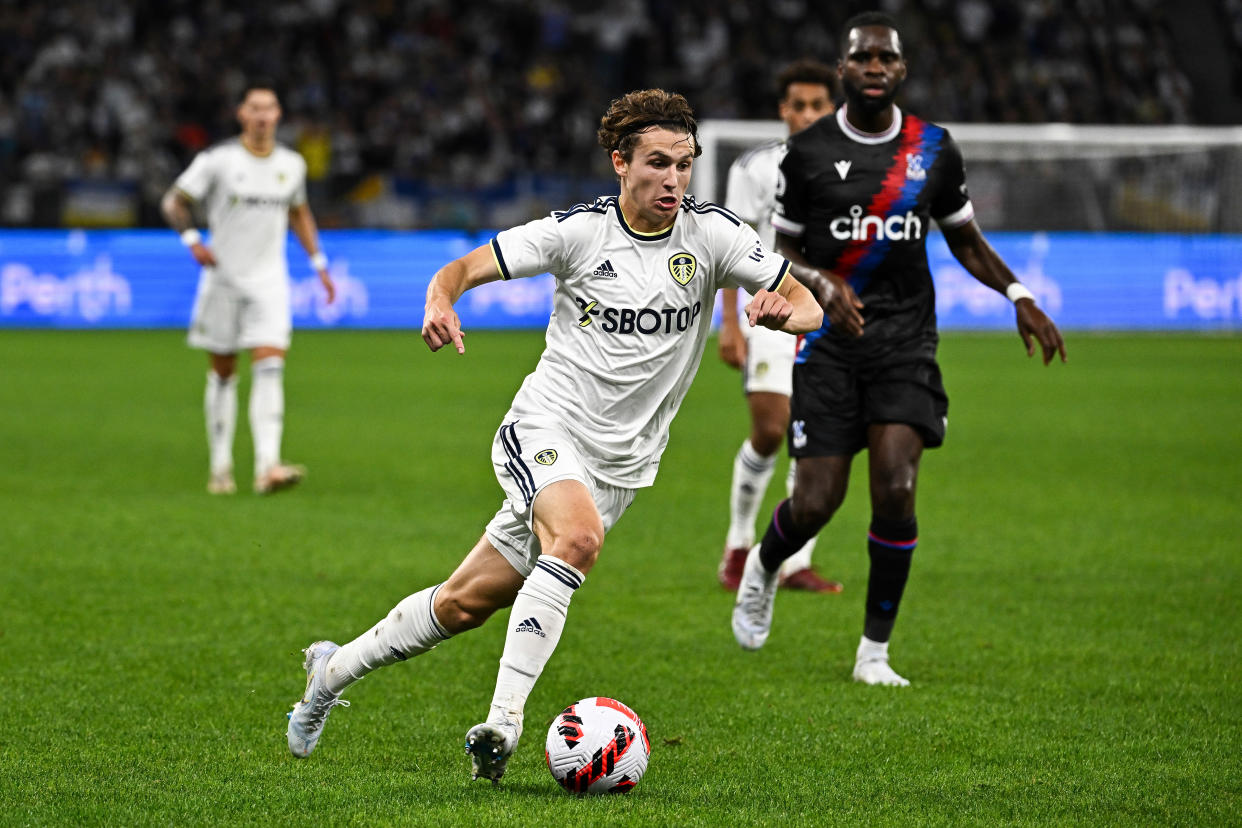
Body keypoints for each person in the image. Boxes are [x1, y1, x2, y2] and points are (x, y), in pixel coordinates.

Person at [285, 89, 825, 782]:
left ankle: (329, 672)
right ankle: (503, 724)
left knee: (462, 603)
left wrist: (789, 312)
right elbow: (463, 268)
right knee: (576, 539)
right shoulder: (578, 232)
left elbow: (805, 299)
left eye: (685, 165)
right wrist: (440, 301)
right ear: (620, 163)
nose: (674, 180)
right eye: (658, 164)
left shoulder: (713, 235)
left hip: (622, 467)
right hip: (544, 425)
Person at [731, 12, 1066, 686]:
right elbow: (783, 248)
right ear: (844, 69)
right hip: (826, 344)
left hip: (906, 343)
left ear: (902, 69)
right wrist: (822, 285)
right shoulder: (808, 154)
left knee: (897, 485)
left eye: (887, 58)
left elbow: (965, 239)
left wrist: (1020, 295)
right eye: (863, 58)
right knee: (817, 501)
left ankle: (874, 654)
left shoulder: (934, 150)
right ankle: (764, 565)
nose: (876, 67)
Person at [161, 80, 335, 496]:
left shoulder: (291, 165)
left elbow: (299, 213)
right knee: (223, 373)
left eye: (269, 108)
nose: (261, 116)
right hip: (222, 280)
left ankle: (267, 467)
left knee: (271, 365)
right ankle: (221, 468)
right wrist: (192, 241)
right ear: (242, 114)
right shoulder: (218, 160)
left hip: (269, 281)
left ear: (278, 116)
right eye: (254, 108)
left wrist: (319, 264)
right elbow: (174, 201)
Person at [717, 59, 842, 594]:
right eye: (800, 105)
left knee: (815, 436)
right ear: (783, 110)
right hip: (770, 310)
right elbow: (728, 248)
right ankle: (739, 543)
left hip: (833, 315)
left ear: (833, 107)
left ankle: (794, 562)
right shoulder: (754, 168)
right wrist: (729, 324)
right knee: (771, 430)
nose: (809, 114)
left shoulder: (857, 167)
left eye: (819, 104)